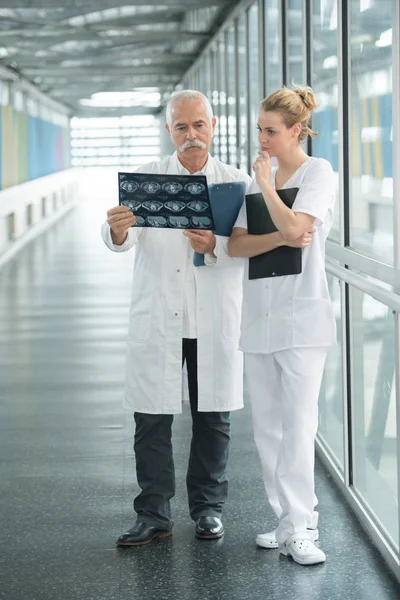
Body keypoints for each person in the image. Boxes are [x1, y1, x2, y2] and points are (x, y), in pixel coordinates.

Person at [101, 90, 252, 546]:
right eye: (181, 127)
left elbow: (250, 251)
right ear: (170, 131)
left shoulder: (238, 183)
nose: (191, 135)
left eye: (199, 125)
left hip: (211, 318)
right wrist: (116, 229)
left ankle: (207, 508)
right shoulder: (146, 180)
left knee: (213, 417)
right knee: (150, 417)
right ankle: (153, 513)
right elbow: (120, 241)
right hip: (160, 315)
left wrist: (217, 247)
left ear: (214, 126)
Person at [228, 85, 336, 566]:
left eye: (271, 131)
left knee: (299, 425)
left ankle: (303, 527)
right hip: (259, 319)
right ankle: (284, 520)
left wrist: (270, 187)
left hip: (303, 319)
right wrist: (279, 232)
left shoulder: (318, 172)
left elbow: (301, 231)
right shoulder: (253, 182)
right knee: (267, 429)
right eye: (259, 130)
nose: (263, 139)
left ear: (296, 130)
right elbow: (236, 246)